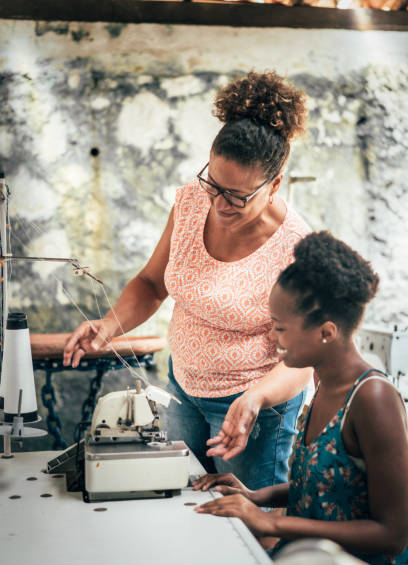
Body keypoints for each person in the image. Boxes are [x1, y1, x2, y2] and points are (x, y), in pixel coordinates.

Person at [63, 70, 312, 489]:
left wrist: (255, 400)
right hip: (183, 390)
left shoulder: (295, 248)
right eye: (214, 184)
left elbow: (303, 360)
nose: (220, 204)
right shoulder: (192, 201)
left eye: (239, 196)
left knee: (250, 522)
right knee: (181, 504)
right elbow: (151, 284)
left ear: (275, 185)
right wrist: (110, 324)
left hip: (253, 410)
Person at [193, 231, 408, 565]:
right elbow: (327, 487)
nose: (274, 338)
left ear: (326, 332)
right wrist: (256, 496)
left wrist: (272, 523)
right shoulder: (321, 380)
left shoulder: (373, 399)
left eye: (280, 328)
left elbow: (393, 532)